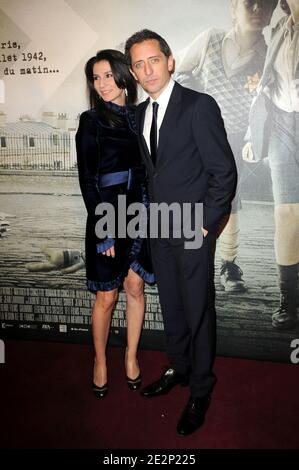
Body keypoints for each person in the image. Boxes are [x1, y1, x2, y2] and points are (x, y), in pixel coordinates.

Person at [125, 30, 237, 435]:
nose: (146, 70)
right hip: (159, 229)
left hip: (193, 228)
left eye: (153, 59)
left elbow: (223, 174)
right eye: (138, 64)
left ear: (170, 61)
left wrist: (205, 224)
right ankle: (180, 367)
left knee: (198, 309)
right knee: (171, 305)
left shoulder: (198, 107)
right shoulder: (138, 115)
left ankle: (202, 389)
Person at [175, 0, 278, 293]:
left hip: (233, 139)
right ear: (234, 8)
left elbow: (263, 106)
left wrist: (251, 138)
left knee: (229, 202)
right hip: (198, 135)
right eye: (250, 3)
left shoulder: (267, 57)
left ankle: (228, 265)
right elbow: (179, 71)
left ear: (272, 13)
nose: (258, 10)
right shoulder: (210, 38)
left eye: (266, 4)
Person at [76, 49, 154, 399]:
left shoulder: (143, 116)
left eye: (108, 75)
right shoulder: (91, 121)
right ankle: (100, 361)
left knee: (135, 287)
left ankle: (131, 354)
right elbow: (87, 179)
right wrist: (104, 226)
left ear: (124, 76)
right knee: (107, 296)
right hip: (107, 212)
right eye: (96, 78)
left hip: (141, 209)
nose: (102, 84)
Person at [243, 0, 299, 329]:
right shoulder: (280, 24)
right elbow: (266, 84)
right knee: (286, 212)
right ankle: (288, 300)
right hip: (280, 124)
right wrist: (254, 134)